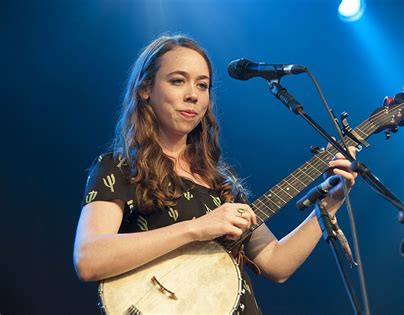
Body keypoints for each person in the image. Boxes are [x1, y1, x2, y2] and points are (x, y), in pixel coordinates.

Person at [73, 34, 357, 314]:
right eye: (177, 81)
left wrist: (332, 201)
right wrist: (198, 228)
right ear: (146, 89)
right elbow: (89, 258)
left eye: (203, 85)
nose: (193, 95)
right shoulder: (119, 167)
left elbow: (277, 263)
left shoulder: (223, 183)